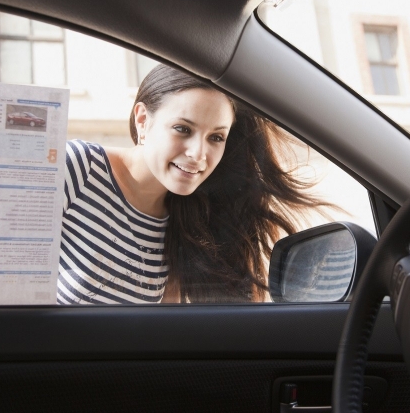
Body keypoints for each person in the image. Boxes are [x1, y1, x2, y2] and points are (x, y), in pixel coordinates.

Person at [57, 64, 329, 304]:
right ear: (143, 120)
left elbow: (162, 331)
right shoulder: (79, 168)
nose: (199, 154)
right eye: (183, 129)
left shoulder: (186, 221)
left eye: (216, 137)